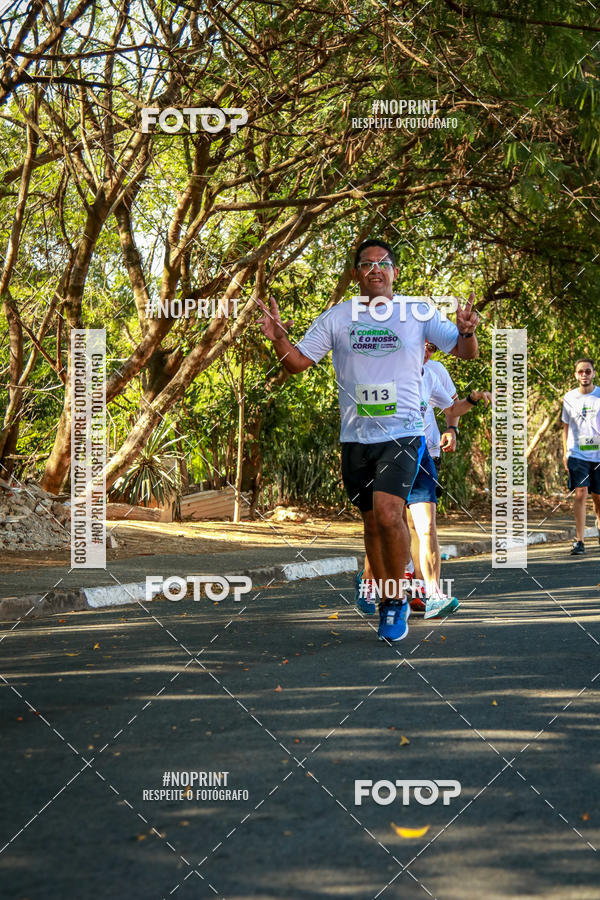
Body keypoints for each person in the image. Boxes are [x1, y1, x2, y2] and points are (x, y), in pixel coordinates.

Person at [257, 238, 480, 642]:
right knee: (372, 522)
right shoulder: (337, 318)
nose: (376, 269)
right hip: (356, 437)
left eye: (384, 263)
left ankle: (395, 602)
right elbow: (298, 364)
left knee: (390, 512)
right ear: (356, 273)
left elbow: (465, 353)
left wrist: (465, 332)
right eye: (367, 264)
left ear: (394, 271)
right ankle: (383, 597)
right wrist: (277, 337)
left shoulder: (417, 312)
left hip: (404, 433)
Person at [358, 342, 491, 619]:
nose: (427, 352)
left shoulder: (430, 374)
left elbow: (452, 407)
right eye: (422, 346)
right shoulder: (385, 373)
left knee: (426, 525)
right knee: (385, 523)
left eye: (431, 348)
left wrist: (474, 399)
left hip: (421, 455)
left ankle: (432, 593)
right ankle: (370, 582)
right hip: (389, 456)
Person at [561, 357, 600, 555]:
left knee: (598, 497)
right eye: (580, 372)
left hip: (598, 454)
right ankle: (579, 541)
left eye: (588, 371)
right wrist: (566, 453)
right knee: (581, 493)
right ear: (576, 375)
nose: (584, 375)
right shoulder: (569, 398)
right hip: (577, 454)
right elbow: (565, 427)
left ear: (594, 373)